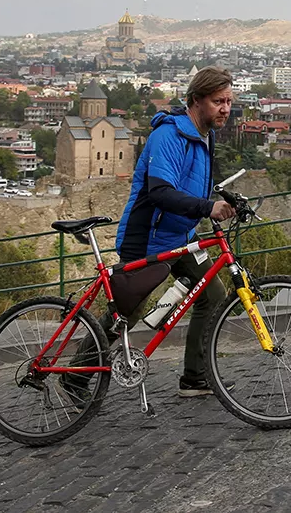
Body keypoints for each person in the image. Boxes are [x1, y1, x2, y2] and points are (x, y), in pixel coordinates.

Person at [108, 66, 236, 397]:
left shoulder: (205, 134)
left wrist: (225, 199)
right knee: (126, 314)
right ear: (197, 100)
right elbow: (160, 192)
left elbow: (196, 183)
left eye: (229, 101)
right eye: (218, 101)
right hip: (148, 237)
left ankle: (195, 377)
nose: (225, 109)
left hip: (181, 235)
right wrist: (207, 208)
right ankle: (76, 377)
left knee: (213, 295)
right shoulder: (168, 136)